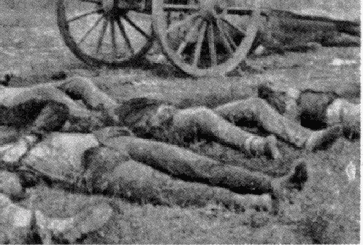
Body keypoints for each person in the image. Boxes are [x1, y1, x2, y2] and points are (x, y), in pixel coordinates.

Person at [0, 111, 307, 213]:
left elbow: (55, 108)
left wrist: (26, 138)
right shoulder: (12, 172)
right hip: (98, 170)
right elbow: (10, 193)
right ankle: (261, 201)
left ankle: (275, 179)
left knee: (195, 163)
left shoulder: (20, 139)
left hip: (108, 138)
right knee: (178, 189)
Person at [117, 94, 343, 159]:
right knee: (203, 114)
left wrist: (165, 107)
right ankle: (257, 146)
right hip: (166, 127)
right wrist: (157, 115)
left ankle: (307, 139)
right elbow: (139, 128)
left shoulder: (124, 102)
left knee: (253, 104)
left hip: (177, 115)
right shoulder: (116, 113)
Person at [257, 81, 360, 139]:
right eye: (272, 86)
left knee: (347, 106)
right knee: (348, 111)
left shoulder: (283, 97)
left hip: (323, 104)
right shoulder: (279, 105)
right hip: (323, 110)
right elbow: (291, 118)